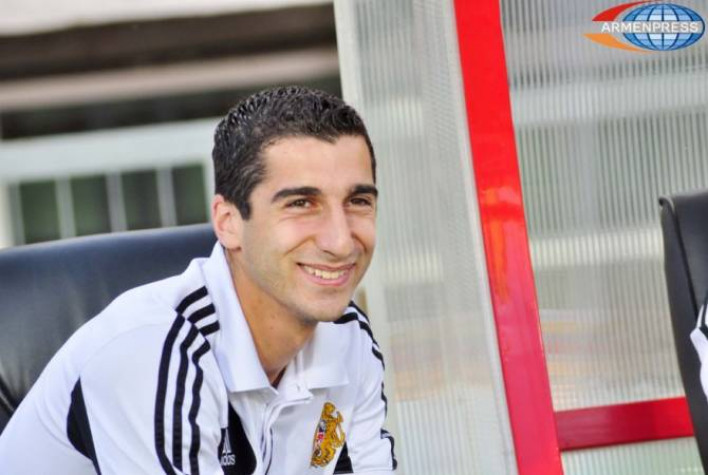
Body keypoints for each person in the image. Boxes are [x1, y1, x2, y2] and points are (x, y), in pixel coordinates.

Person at [0, 86, 397, 475]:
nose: (341, 241)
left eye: (358, 201)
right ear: (228, 223)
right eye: (301, 204)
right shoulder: (150, 354)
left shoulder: (348, 336)